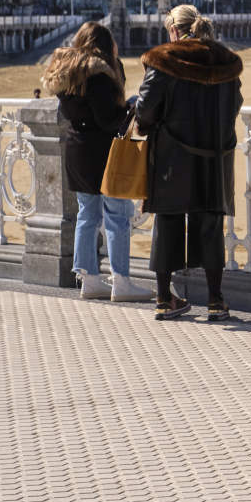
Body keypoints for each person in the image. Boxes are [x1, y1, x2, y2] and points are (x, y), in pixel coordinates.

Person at [135, 5, 243, 321]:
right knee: (209, 223)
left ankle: (164, 299)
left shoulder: (165, 60)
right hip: (214, 157)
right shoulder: (224, 61)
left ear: (174, 30)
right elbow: (235, 104)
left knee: (168, 221)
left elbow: (145, 109)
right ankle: (215, 300)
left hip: (171, 156)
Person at [41, 21, 152, 302]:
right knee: (117, 214)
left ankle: (89, 279)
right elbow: (106, 119)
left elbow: (80, 113)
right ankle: (121, 281)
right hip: (102, 152)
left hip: (76, 148)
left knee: (87, 215)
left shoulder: (69, 73)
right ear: (104, 44)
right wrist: (130, 108)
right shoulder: (98, 74)